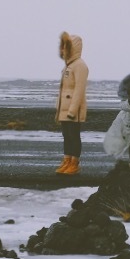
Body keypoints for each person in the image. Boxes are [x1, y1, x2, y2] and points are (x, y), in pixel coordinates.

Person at [54, 32, 88, 175]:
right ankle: (66, 160)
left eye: (65, 47)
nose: (63, 50)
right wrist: (59, 107)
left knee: (74, 136)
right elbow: (63, 90)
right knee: (66, 136)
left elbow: (79, 90)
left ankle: (74, 163)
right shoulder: (68, 66)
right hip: (64, 108)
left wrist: (72, 110)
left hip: (73, 110)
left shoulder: (80, 66)